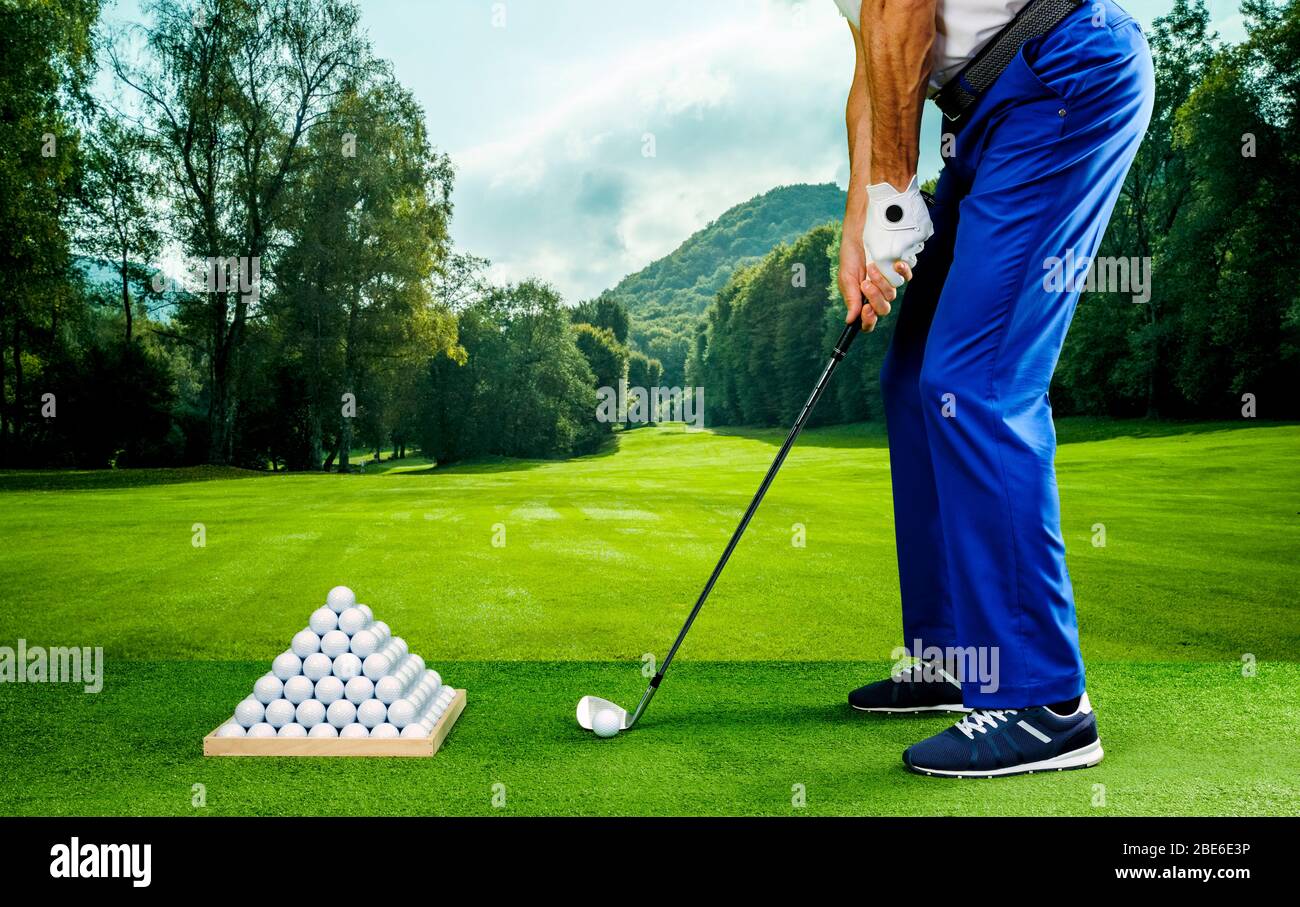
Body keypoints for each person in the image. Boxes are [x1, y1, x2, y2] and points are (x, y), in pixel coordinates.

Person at [833, 0, 1153, 777]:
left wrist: (897, 194)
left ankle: (1045, 702)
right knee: (916, 380)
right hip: (988, 112)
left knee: (974, 380)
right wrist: (863, 222)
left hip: (1062, 76)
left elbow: (903, 12)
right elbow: (874, 65)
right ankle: (958, 658)